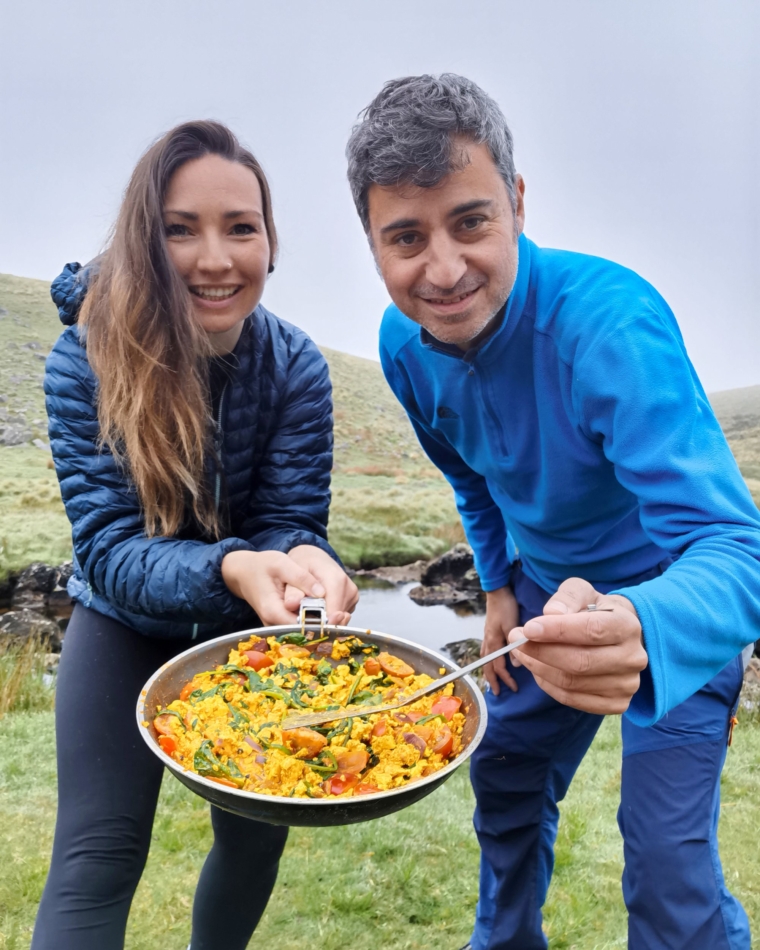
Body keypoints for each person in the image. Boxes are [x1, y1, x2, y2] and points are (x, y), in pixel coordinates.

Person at [346, 74, 760, 949]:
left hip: (668, 603)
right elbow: (470, 473)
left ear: (518, 201)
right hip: (539, 600)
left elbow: (733, 547)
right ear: (372, 244)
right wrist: (498, 586)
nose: (445, 269)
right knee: (503, 773)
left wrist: (640, 619)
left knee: (666, 874)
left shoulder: (610, 326)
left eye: (471, 220)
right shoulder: (402, 344)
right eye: (406, 237)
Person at [33, 120, 358, 950]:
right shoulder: (86, 362)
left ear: (271, 243)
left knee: (253, 843)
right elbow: (107, 547)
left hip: (250, 635)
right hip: (121, 625)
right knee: (98, 856)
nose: (216, 259)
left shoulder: (297, 366)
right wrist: (239, 565)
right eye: (181, 230)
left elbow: (289, 519)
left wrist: (304, 556)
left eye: (240, 228)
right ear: (146, 242)